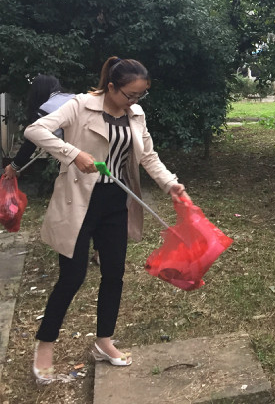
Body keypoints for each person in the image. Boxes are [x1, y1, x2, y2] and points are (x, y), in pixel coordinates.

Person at [24, 57, 187, 385]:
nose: (135, 101)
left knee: (114, 274)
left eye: (140, 95)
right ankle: (44, 346)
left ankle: (104, 341)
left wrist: (169, 183)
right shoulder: (79, 106)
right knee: (72, 278)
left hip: (116, 202)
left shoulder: (135, 114)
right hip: (79, 203)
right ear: (111, 87)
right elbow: (34, 130)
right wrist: (73, 153)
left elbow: (147, 156)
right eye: (130, 94)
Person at [2, 74, 71, 180]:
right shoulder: (73, 98)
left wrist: (13, 166)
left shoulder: (45, 109)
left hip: (75, 158)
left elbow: (31, 141)